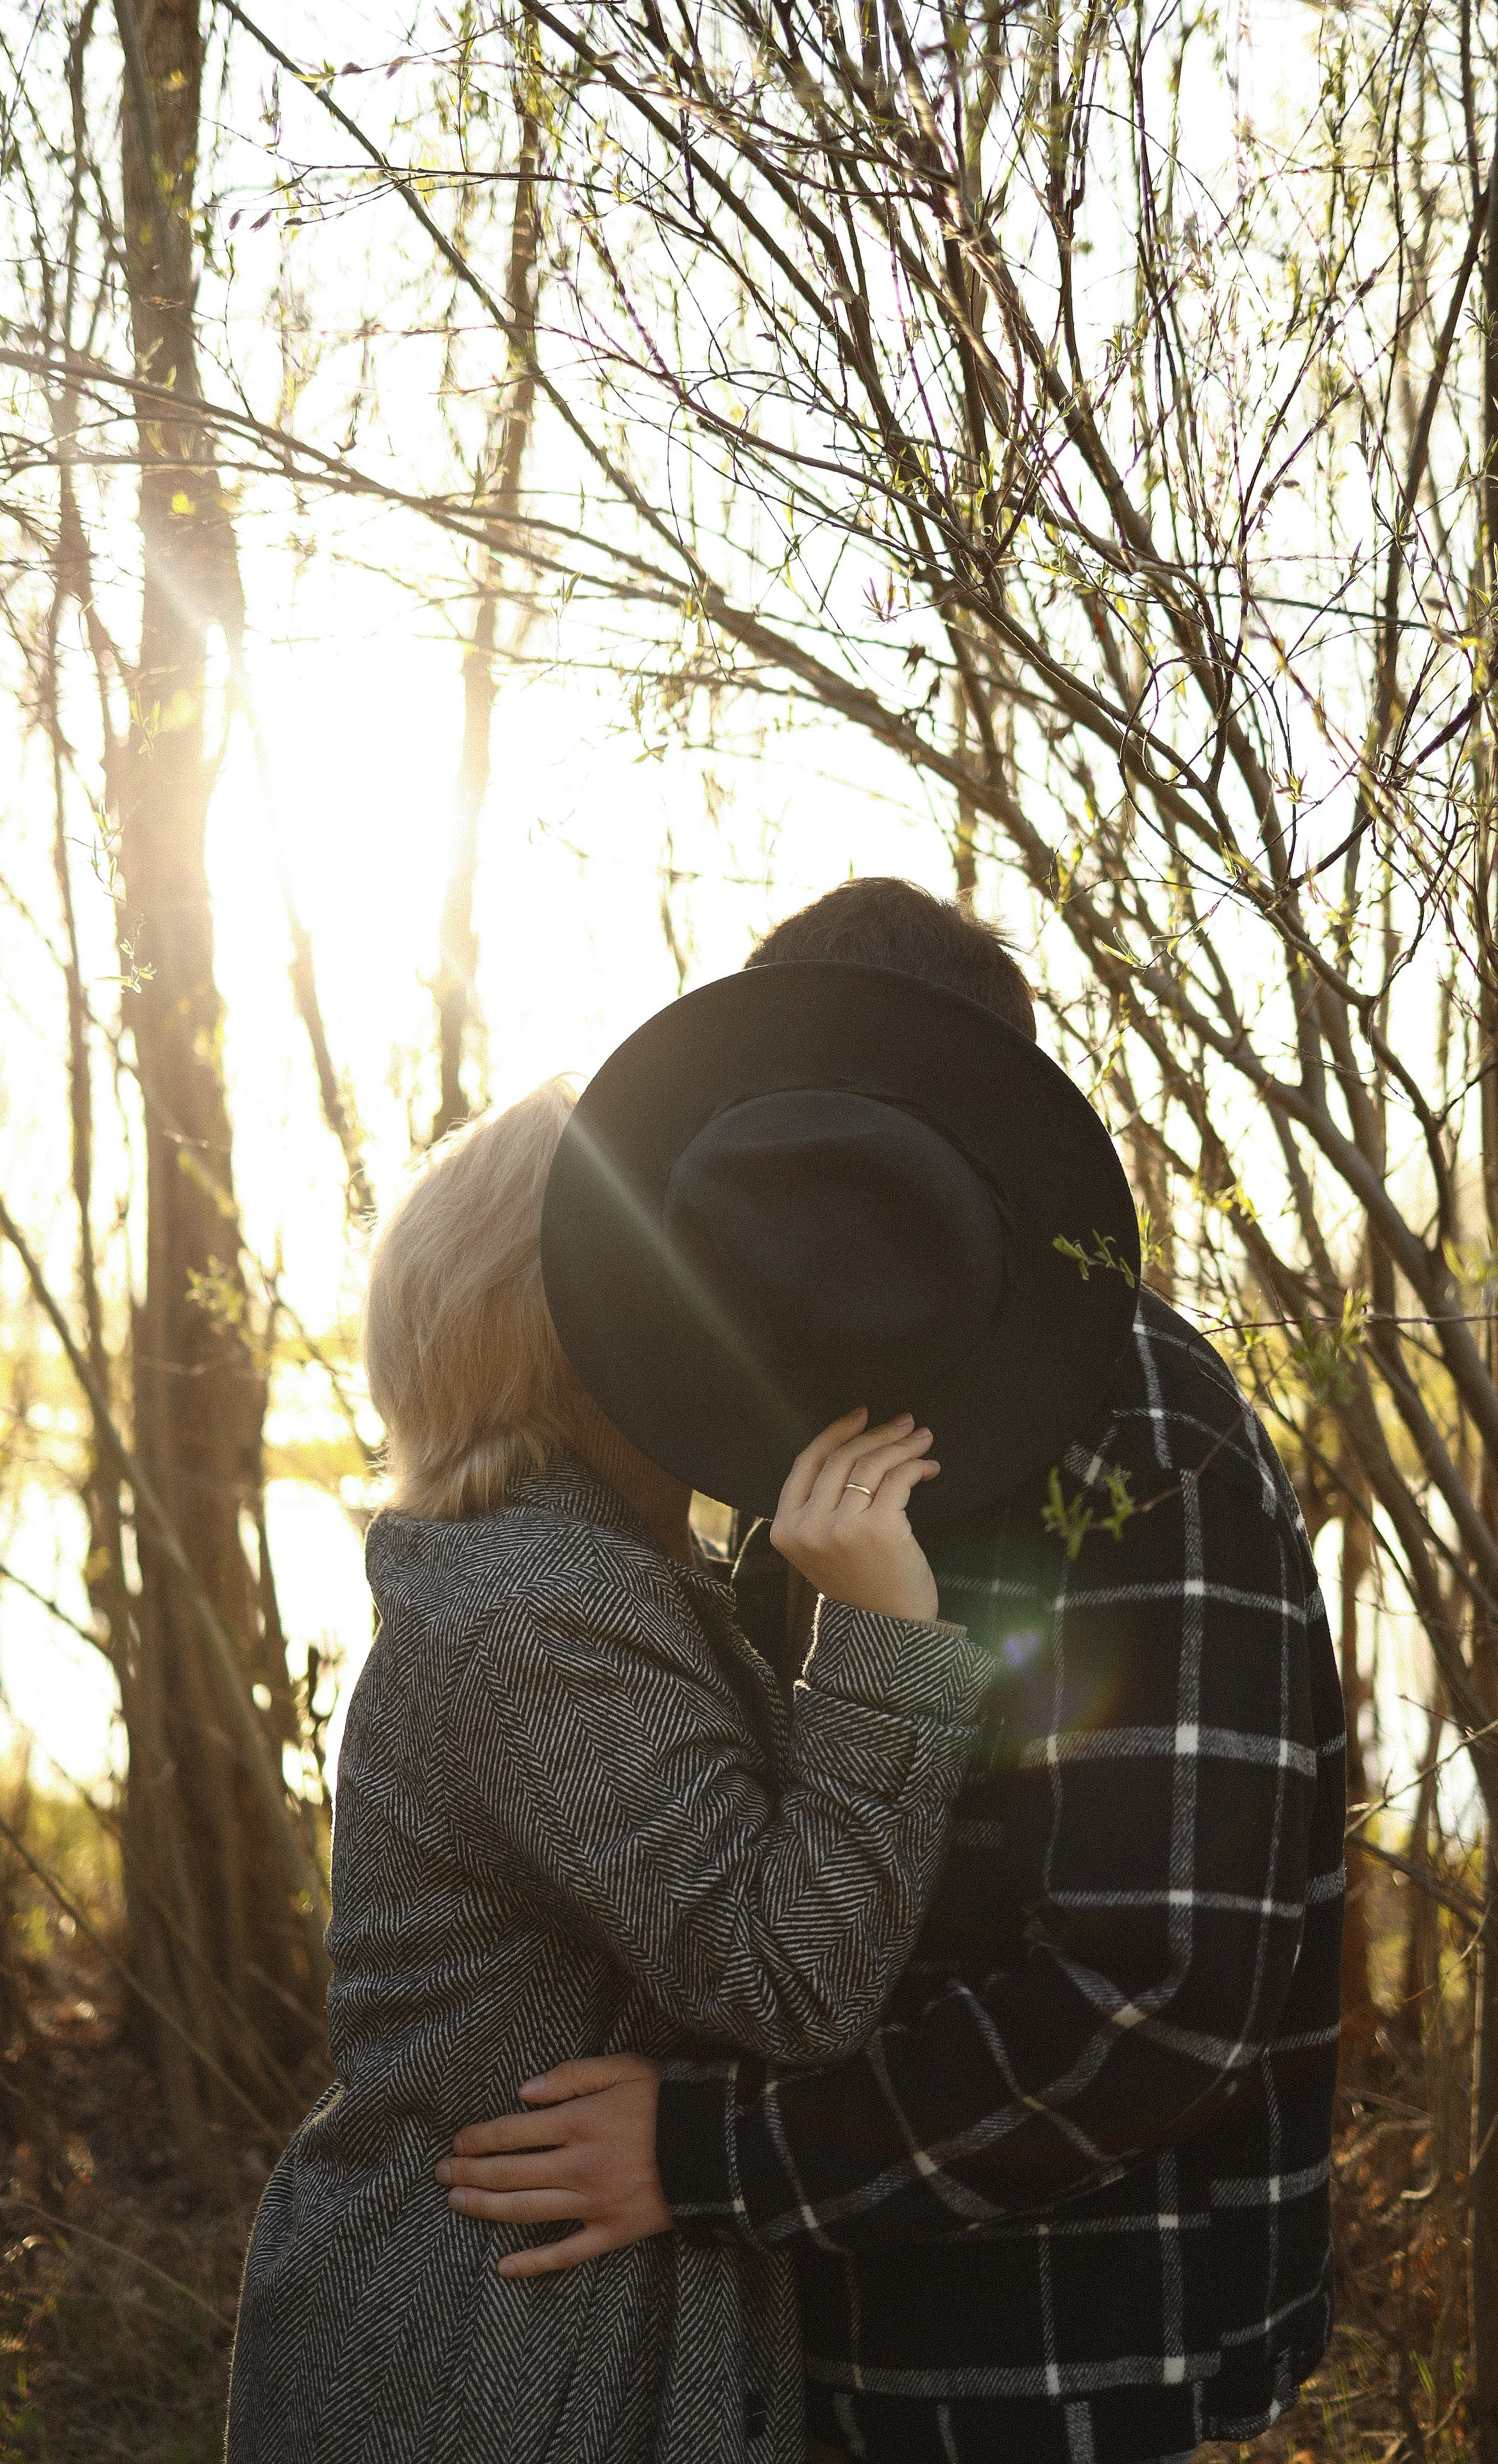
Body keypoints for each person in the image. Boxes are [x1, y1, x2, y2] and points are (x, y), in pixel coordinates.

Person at [439, 882, 1347, 2464]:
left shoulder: (1138, 1439)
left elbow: (1155, 1997)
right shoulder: (791, 1406)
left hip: (1065, 2357)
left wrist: (709, 2156)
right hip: (830, 2326)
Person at [224, 1075, 998, 2464]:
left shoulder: (603, 1578)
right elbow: (790, 1971)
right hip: (488, 2357)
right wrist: (881, 1638)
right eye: (687, 1278)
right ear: (577, 1329)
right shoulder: (536, 1614)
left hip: (540, 2331)